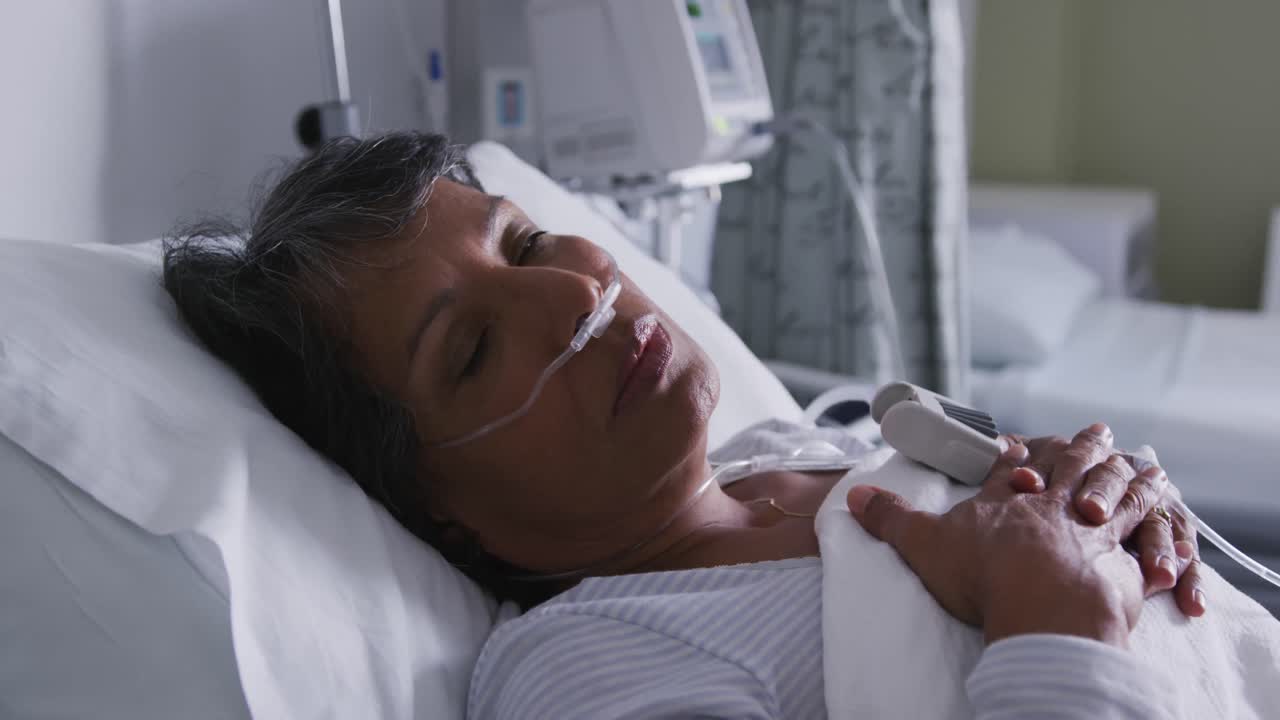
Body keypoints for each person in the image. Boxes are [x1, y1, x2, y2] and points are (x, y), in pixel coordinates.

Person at [163, 132, 1204, 718]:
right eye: (471, 351)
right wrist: (1059, 622)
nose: (572, 296)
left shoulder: (794, 453)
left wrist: (1108, 511)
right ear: (436, 514)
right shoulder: (590, 670)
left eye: (524, 248)